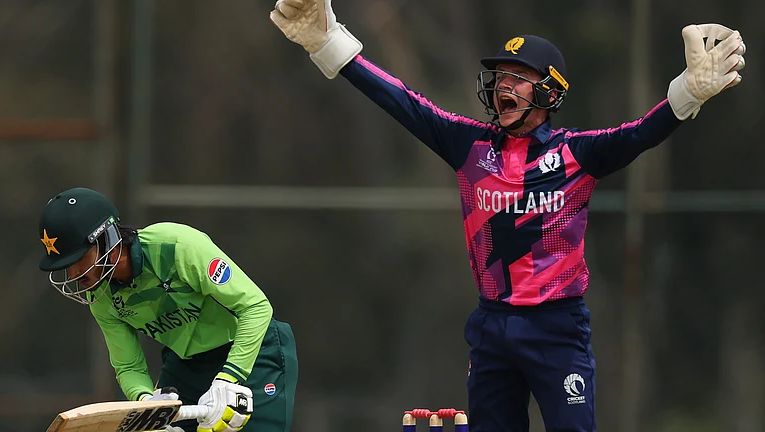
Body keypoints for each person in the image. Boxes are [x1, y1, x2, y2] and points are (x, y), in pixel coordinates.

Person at [270, 1, 746, 431]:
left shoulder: (578, 154)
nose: (504, 85)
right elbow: (401, 101)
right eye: (500, 76)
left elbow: (639, 134)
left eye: (518, 76)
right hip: (492, 328)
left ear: (549, 92)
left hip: (557, 329)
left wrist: (687, 93)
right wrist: (328, 43)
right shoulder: (468, 145)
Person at [38, 187, 298, 432]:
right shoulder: (100, 295)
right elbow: (128, 366)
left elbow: (255, 307)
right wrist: (148, 403)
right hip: (185, 366)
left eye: (79, 259)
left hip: (252, 353)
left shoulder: (176, 246)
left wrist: (229, 377)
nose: (74, 274)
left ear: (108, 238)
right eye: (66, 265)